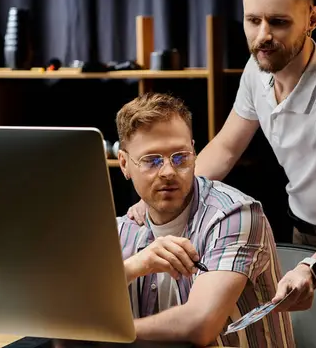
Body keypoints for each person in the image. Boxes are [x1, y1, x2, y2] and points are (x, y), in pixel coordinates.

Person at [128, 0, 316, 314]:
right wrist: (159, 197)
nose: (263, 36)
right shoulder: (258, 72)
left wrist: (311, 269)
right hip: (303, 230)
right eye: (253, 20)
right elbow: (225, 149)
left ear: (311, 19)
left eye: (279, 22)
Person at [113, 92, 294, 347]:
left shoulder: (234, 214)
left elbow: (201, 325)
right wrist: (134, 266)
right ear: (124, 164)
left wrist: (109, 331)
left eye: (180, 157)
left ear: (194, 152)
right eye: (152, 161)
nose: (168, 172)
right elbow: (69, 307)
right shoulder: (123, 229)